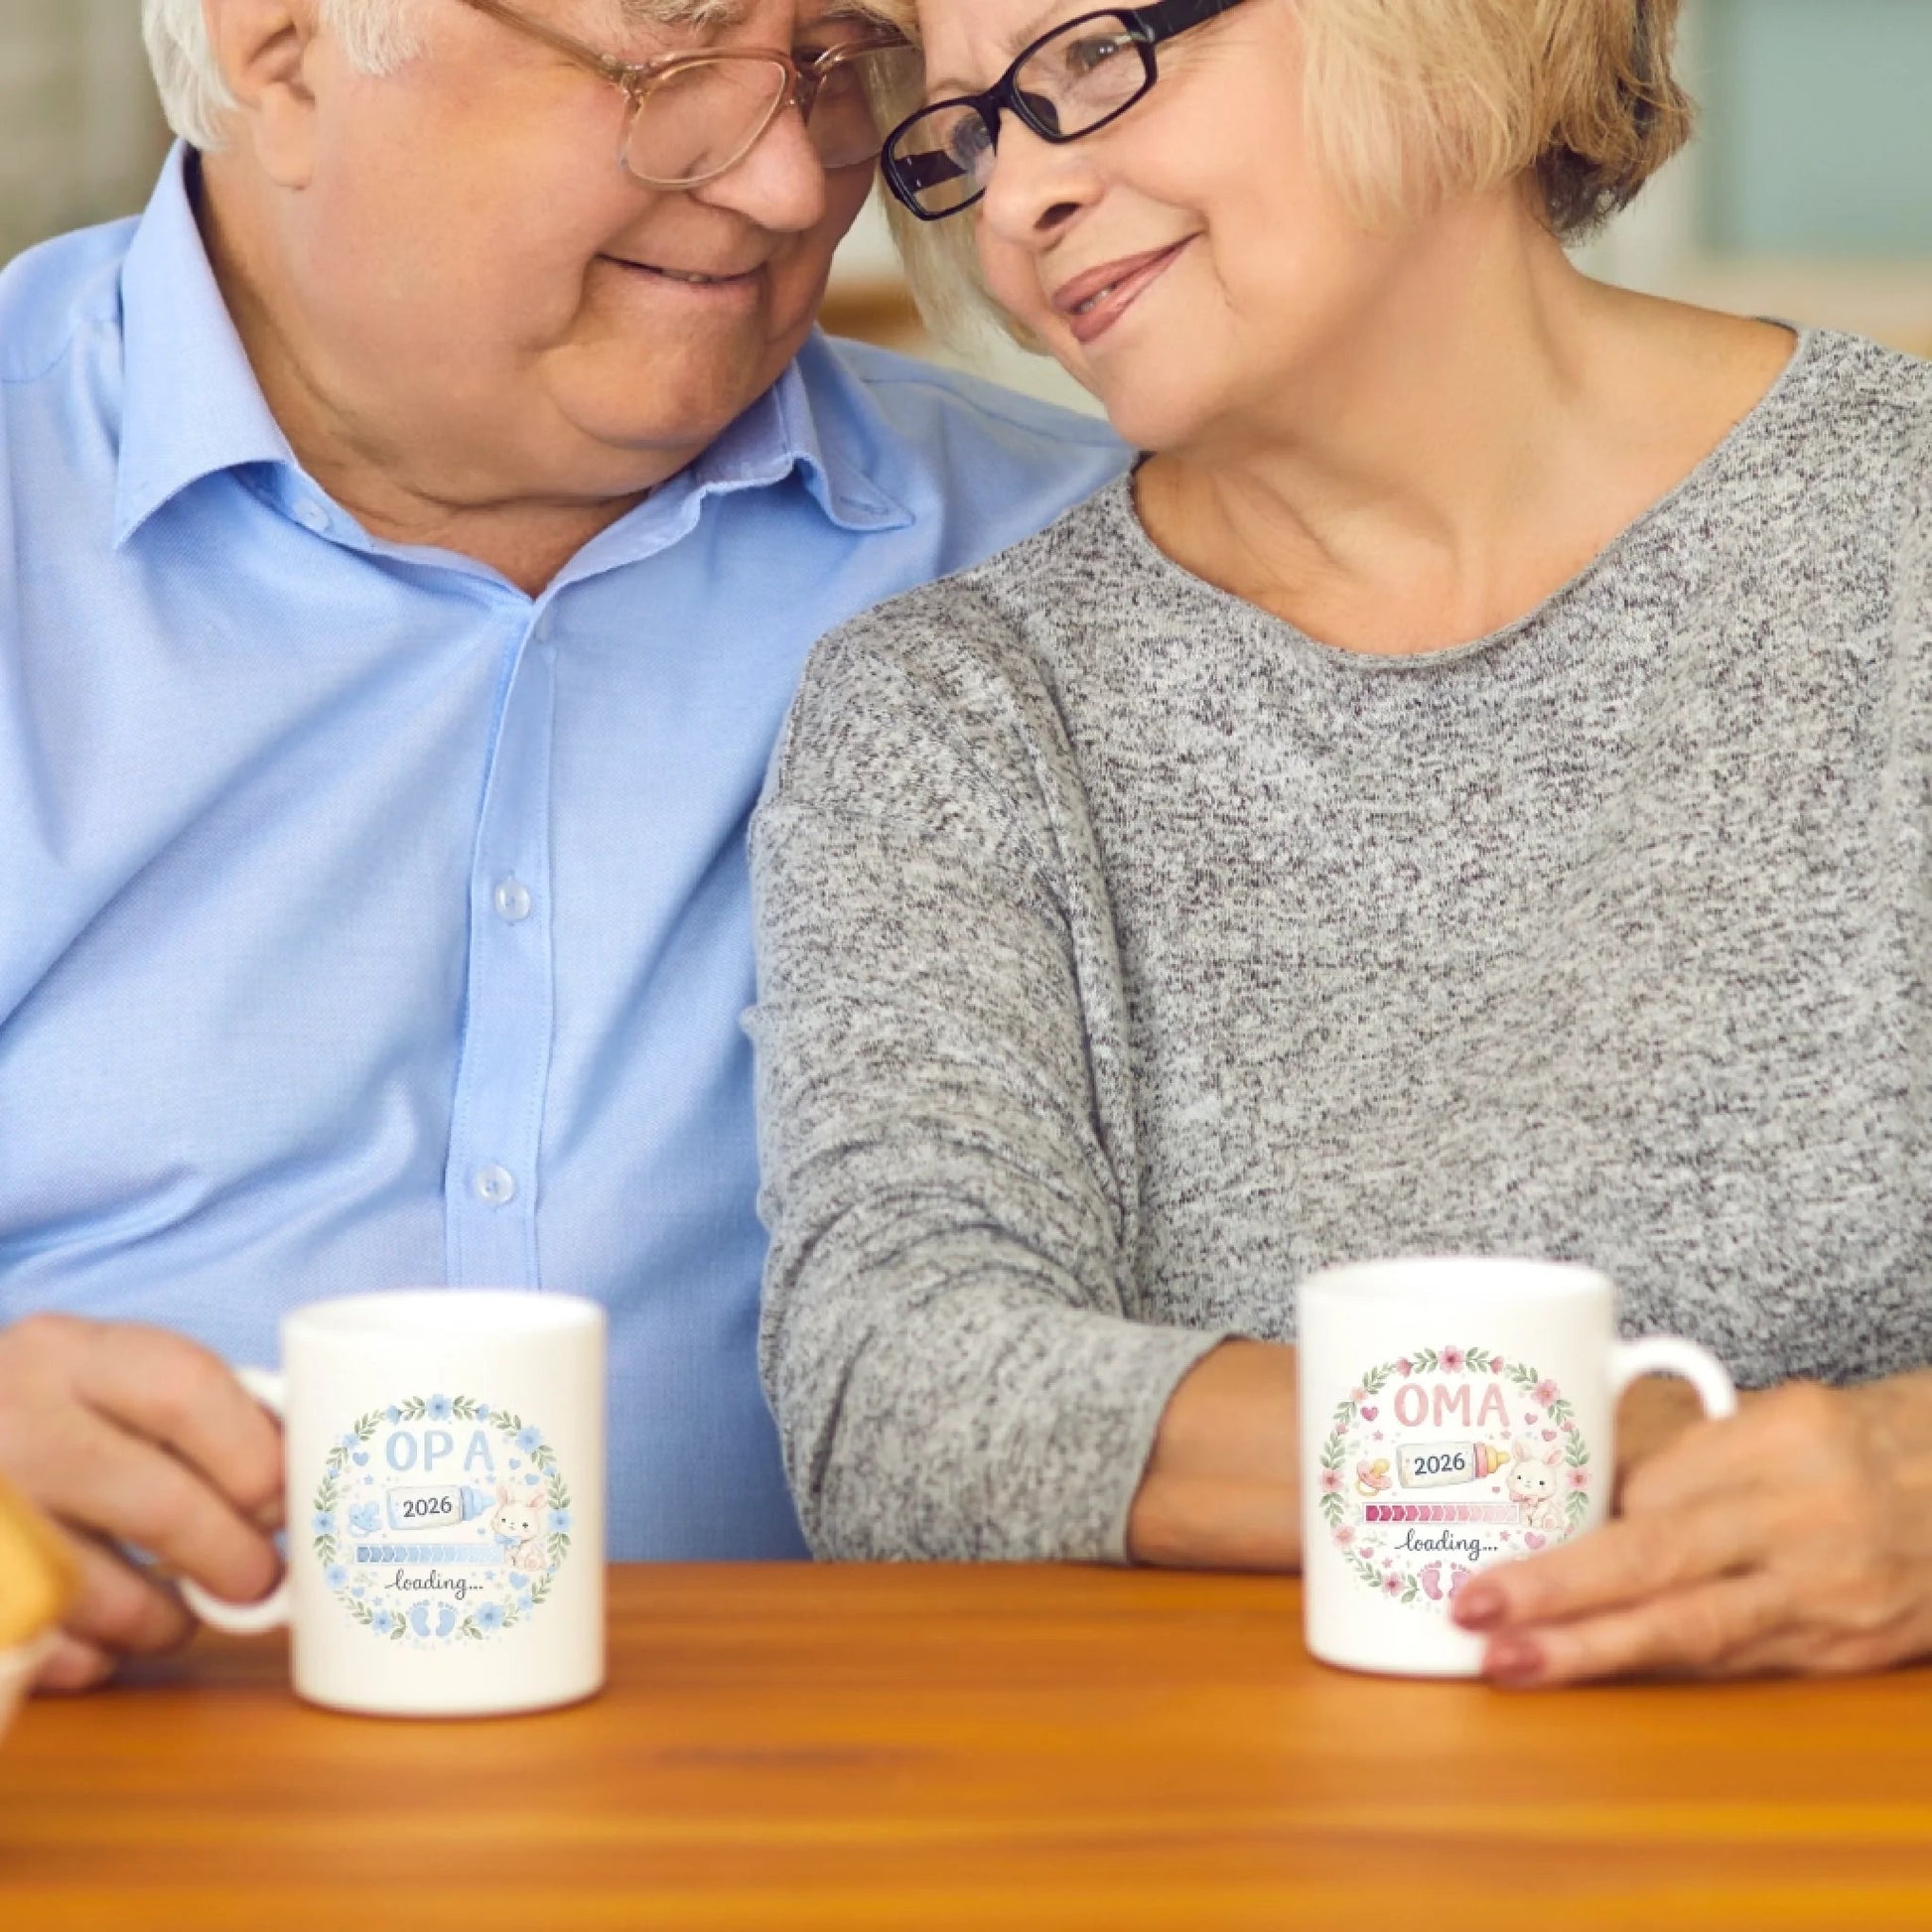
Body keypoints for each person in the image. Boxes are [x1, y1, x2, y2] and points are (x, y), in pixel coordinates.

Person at [750, 0, 1932, 1683]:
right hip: (1219, 1806)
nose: (1012, 200)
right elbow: (899, 1394)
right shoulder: (953, 711)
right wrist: (1615, 1451)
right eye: (965, 129)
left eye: (1090, 54)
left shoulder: (1898, 539)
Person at [0, 0, 1125, 1691]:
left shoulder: (1085, 563)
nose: (785, 185)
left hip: (877, 1776)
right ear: (282, 52)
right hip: (100, 1762)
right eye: (673, 65)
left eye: (836, 64)